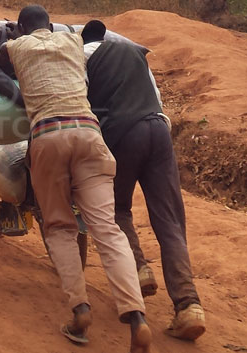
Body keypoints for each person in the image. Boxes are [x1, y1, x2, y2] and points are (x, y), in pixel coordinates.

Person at [1, 4, 152, 352]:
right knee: (108, 230)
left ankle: (80, 311)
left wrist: (9, 42)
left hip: (48, 138)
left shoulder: (17, 47)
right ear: (51, 25)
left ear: (22, 28)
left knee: (59, 227)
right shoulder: (72, 41)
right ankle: (137, 318)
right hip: (88, 135)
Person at [82, 20, 207, 341]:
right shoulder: (134, 53)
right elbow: (155, 94)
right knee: (169, 222)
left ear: (84, 39)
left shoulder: (81, 55)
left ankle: (138, 270)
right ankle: (188, 305)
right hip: (158, 129)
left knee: (117, 208)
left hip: (124, 134)